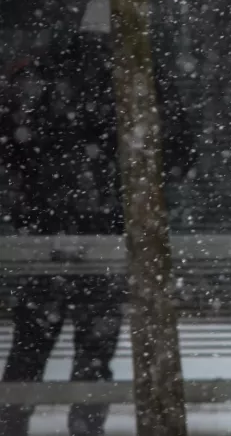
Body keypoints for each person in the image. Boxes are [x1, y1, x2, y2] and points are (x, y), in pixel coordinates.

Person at [0, 27, 195, 436]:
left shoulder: (41, 76)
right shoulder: (136, 75)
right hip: (106, 229)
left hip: (47, 230)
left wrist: (30, 203)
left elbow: (14, 147)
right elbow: (178, 150)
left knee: (31, 343)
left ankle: (12, 421)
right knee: (94, 346)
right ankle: (85, 425)